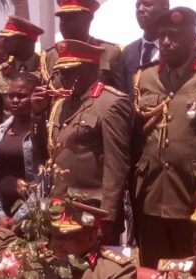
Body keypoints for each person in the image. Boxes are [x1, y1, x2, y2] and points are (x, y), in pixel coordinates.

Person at [131, 7, 196, 267]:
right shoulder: (144, 77)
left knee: (193, 272)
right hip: (151, 196)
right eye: (163, 35)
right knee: (153, 272)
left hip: (195, 193)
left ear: (193, 38)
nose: (166, 42)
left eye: (175, 35)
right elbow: (136, 138)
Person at [32, 40, 132, 245]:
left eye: (71, 72)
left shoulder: (111, 103)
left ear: (91, 69)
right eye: (61, 72)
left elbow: (116, 166)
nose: (63, 78)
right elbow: (47, 150)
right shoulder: (61, 105)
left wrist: (108, 216)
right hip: (60, 205)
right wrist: (37, 114)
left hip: (92, 208)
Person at [0, 73, 44, 228]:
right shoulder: (0, 132)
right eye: (11, 96)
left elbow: (44, 180)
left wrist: (19, 216)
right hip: (1, 217)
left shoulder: (43, 132)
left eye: (21, 96)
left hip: (32, 217)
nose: (15, 101)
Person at [40, 0, 124, 91]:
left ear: (88, 19)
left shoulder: (109, 52)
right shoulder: (50, 56)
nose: (64, 24)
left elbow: (119, 95)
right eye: (62, 19)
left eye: (71, 18)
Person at [0, 16, 45, 126]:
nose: (3, 42)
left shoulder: (47, 70)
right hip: (8, 138)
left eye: (9, 38)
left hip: (39, 136)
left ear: (26, 41)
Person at [121, 0, 169, 95]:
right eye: (137, 5)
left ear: (165, 10)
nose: (140, 9)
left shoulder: (176, 50)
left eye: (147, 4)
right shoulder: (128, 52)